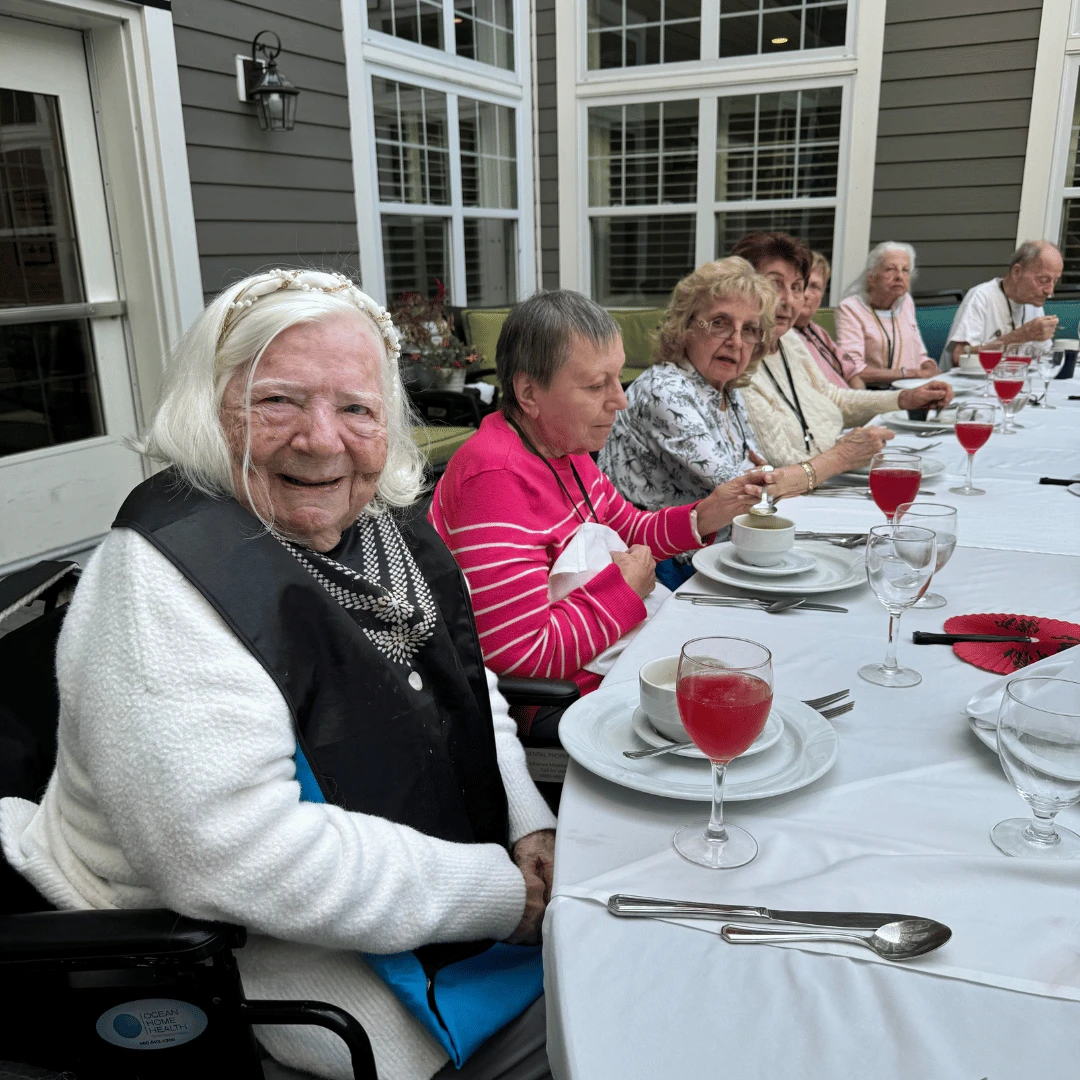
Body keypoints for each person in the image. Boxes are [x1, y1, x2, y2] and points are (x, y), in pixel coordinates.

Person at [0, 269, 560, 1080]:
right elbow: (231, 855)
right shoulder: (160, 578)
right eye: (277, 401)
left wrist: (528, 826)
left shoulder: (378, 521)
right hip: (283, 978)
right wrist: (503, 896)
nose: (321, 440)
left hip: (448, 901)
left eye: (356, 408)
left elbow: (465, 685)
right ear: (209, 407)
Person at [429, 290, 771, 701]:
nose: (620, 400)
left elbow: (631, 530)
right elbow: (520, 656)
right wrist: (625, 589)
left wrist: (707, 514)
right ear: (529, 393)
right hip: (561, 702)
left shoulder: (566, 449)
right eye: (596, 386)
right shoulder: (494, 478)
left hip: (609, 663)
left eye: (617, 377)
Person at [600, 257, 900, 511]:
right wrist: (840, 458)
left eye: (749, 330)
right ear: (686, 326)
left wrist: (772, 478)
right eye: (720, 323)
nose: (736, 341)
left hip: (719, 542)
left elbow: (761, 473)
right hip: (657, 556)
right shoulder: (664, 390)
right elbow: (745, 491)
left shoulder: (727, 391)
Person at [732, 231, 954, 469]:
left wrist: (905, 398)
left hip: (832, 465)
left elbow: (833, 397)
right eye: (773, 284)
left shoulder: (789, 341)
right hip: (811, 483)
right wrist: (843, 456)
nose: (788, 299)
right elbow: (779, 461)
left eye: (796, 287)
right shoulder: (737, 361)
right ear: (742, 287)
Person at [834, 242, 940, 384]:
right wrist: (909, 374)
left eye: (905, 270)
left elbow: (918, 354)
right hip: (873, 391)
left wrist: (930, 367)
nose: (899, 276)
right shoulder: (851, 308)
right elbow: (853, 368)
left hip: (912, 387)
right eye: (890, 269)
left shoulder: (906, 302)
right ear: (871, 277)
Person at [944, 240, 1063, 366]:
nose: (1050, 291)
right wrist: (1021, 335)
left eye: (1055, 281)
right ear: (1016, 272)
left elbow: (1044, 356)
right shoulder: (981, 296)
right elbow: (959, 357)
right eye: (1043, 280)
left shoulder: (1033, 302)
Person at [795, 251, 867, 389]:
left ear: (822, 294)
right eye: (799, 285)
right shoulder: (782, 336)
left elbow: (852, 374)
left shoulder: (817, 332)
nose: (806, 294)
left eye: (814, 286)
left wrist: (864, 400)